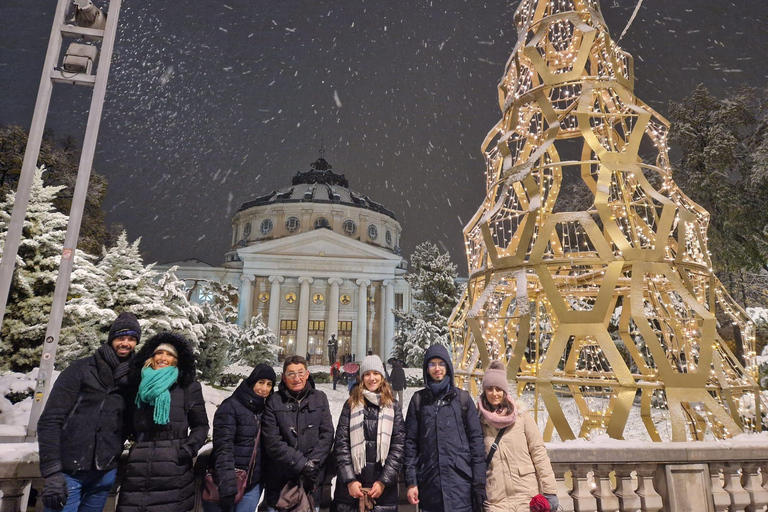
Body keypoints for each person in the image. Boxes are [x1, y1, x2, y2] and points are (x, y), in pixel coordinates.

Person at [37, 312, 141, 512]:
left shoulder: (134, 378)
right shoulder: (81, 369)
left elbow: (132, 423)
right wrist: (51, 472)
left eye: (131, 339)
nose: (126, 343)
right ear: (112, 339)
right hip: (69, 472)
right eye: (121, 337)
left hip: (105, 472)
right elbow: (50, 420)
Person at [116, 332, 209, 512]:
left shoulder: (187, 387)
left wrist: (187, 450)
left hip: (173, 471)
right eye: (159, 353)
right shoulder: (137, 385)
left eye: (170, 354)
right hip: (138, 470)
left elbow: (201, 425)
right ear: (151, 356)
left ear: (177, 360)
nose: (163, 358)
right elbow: (126, 423)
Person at [404, 344, 487, 512]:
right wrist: (411, 481)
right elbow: (410, 444)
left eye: (441, 364)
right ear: (426, 368)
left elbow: (476, 443)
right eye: (432, 364)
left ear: (448, 367)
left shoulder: (462, 399)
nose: (437, 369)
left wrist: (479, 482)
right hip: (430, 484)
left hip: (460, 485)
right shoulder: (419, 400)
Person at [479, 361, 557, 512]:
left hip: (527, 498)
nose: (494, 393)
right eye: (489, 389)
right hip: (495, 501)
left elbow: (539, 453)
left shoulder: (522, 417)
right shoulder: (478, 421)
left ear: (505, 391)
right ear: (484, 391)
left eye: (498, 389)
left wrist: (550, 491)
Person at [261, 355, 334, 512]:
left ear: (307, 374)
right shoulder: (274, 401)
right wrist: (302, 464)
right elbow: (272, 442)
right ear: (284, 377)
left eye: (300, 373)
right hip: (281, 484)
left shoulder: (320, 398)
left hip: (311, 482)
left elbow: (327, 434)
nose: (297, 378)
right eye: (291, 374)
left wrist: (312, 464)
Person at [333, 355, 406, 512]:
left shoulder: (392, 406)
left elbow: (398, 447)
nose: (372, 378)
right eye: (367, 374)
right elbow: (341, 444)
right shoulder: (351, 404)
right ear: (362, 377)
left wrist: (383, 481)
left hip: (383, 492)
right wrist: (350, 480)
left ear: (382, 376)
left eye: (376, 373)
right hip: (351, 492)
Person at [204, 364, 277, 512]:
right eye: (261, 382)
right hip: (227, 481)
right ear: (252, 382)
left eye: (269, 384)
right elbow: (223, 446)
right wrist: (227, 483)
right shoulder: (231, 406)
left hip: (252, 484)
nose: (264, 388)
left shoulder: (267, 410)